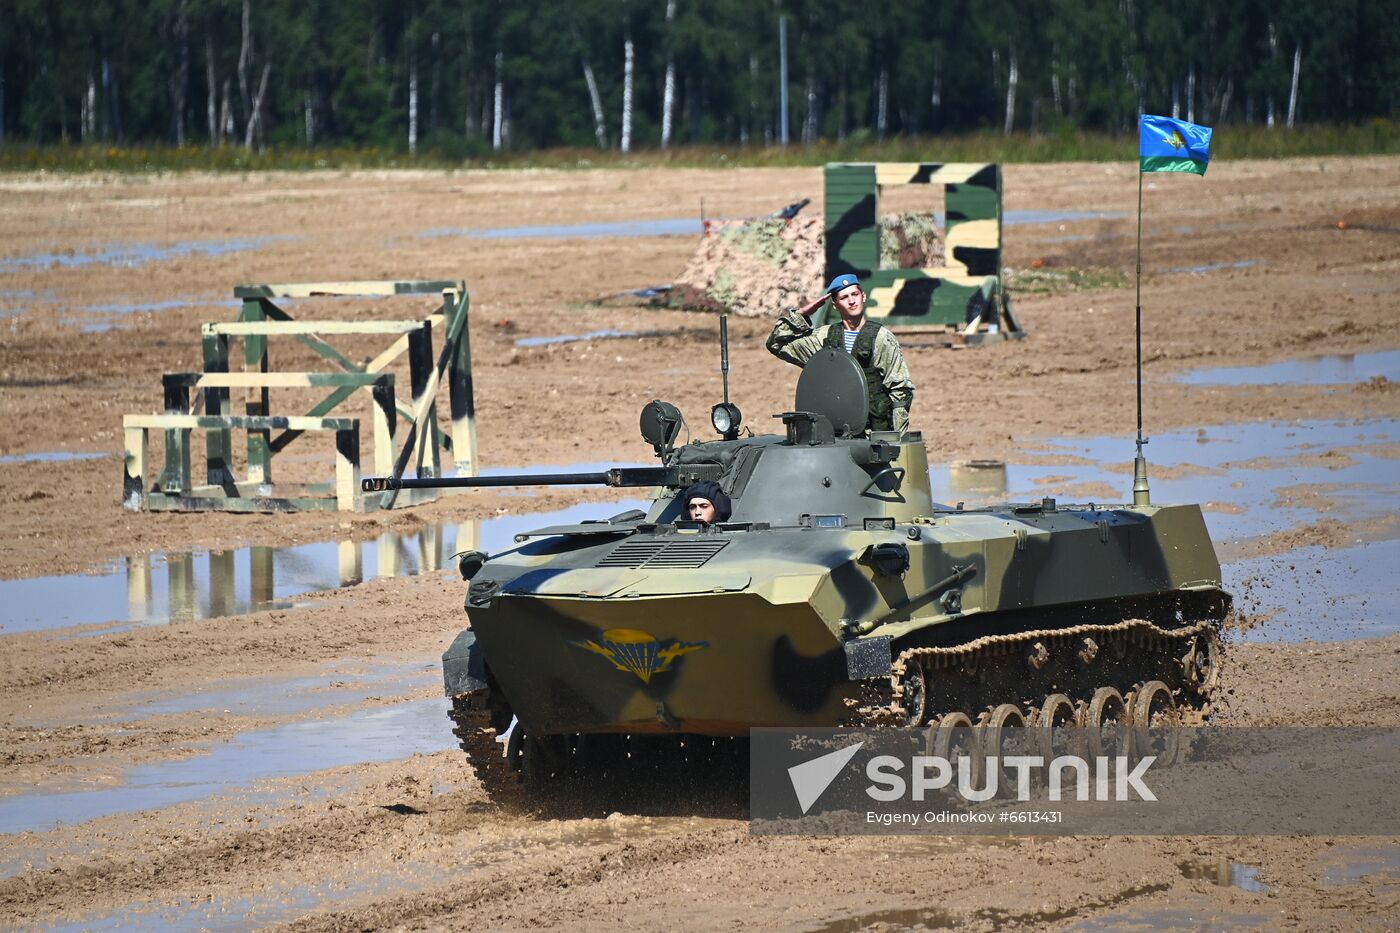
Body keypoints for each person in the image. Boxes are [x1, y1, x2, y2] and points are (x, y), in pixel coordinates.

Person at [765, 273, 915, 433]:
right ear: (835, 305)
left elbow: (901, 391)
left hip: (874, 434)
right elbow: (776, 344)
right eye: (844, 297)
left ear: (863, 296)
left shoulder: (881, 338)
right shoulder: (823, 338)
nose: (852, 301)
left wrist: (897, 438)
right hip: (833, 433)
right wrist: (802, 315)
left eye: (855, 294)